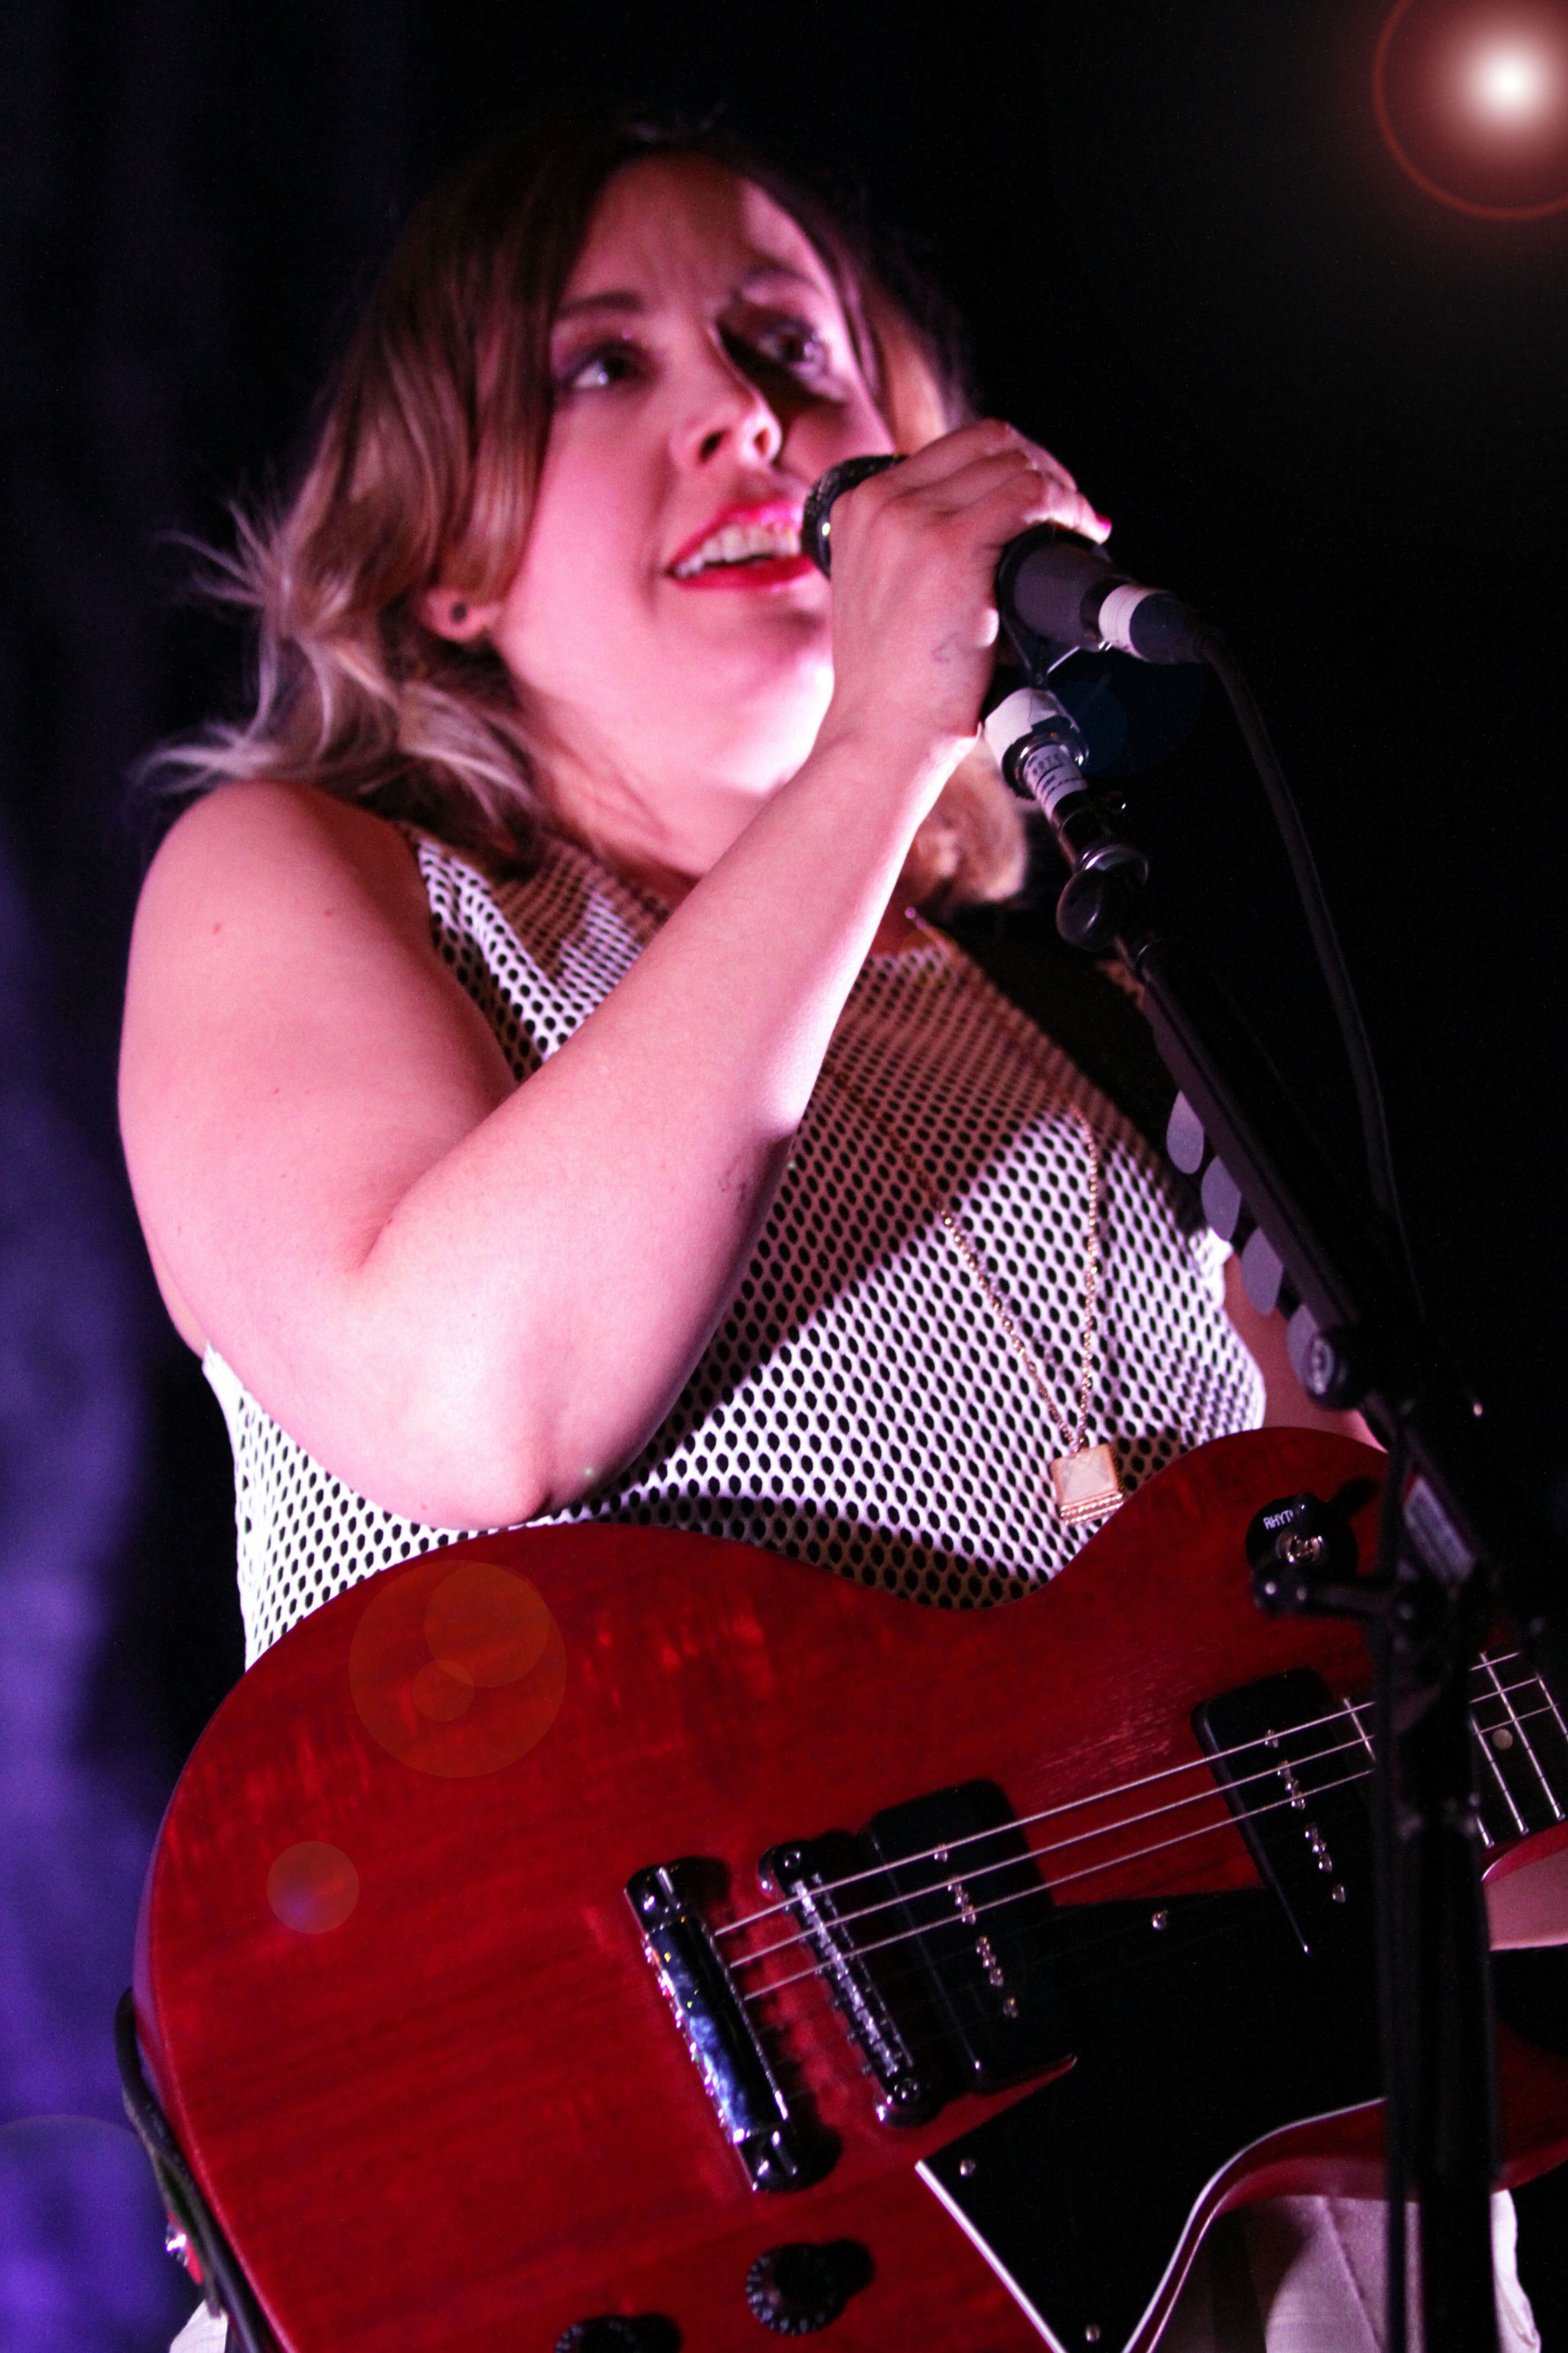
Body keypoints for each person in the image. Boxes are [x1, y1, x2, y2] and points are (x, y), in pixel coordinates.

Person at [118, 114, 1537, 2353]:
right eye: (604, 368)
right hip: (644, 2239)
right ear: (450, 563)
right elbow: (478, 1399)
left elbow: (1388, 1742)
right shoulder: (322, 880)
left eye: (793, 345)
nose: (749, 416)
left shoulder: (1078, 1014)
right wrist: (888, 716)